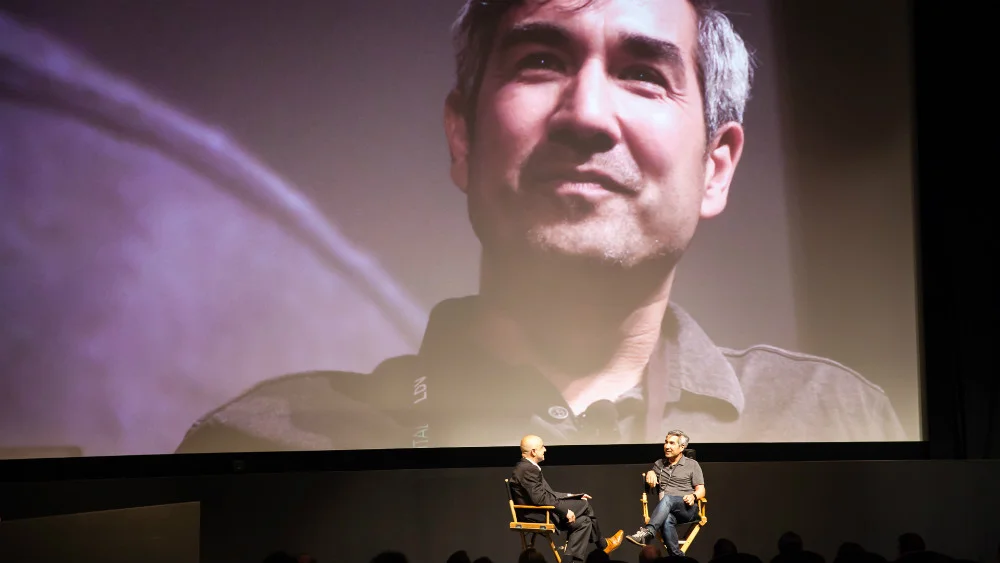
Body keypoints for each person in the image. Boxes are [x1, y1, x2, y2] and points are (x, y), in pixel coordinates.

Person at [176, 0, 904, 454]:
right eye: (541, 60)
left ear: (716, 167)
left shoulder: (837, 419)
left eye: (644, 75)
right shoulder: (263, 443)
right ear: (462, 138)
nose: (586, 114)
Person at [509, 435, 623, 561]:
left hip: (541, 510)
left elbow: (547, 494)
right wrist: (565, 511)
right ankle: (603, 545)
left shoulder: (527, 467)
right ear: (533, 452)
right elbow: (540, 499)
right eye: (542, 447)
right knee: (585, 505)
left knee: (585, 522)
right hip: (537, 514)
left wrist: (572, 496)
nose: (545, 449)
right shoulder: (527, 469)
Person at [625, 431, 704, 555]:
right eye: (666, 442)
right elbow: (652, 473)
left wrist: (693, 496)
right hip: (668, 511)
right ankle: (676, 556)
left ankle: (648, 532)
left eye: (672, 443)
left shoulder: (692, 464)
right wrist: (651, 472)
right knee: (666, 519)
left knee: (667, 499)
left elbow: (701, 490)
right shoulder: (659, 464)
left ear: (682, 447)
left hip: (687, 508)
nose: (667, 446)